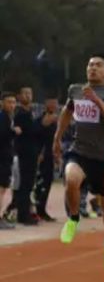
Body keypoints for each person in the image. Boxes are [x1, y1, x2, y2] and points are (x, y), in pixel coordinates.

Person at [53, 55, 104, 270]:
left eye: (98, 65)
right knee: (71, 180)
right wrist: (57, 137)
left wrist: (97, 101)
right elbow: (67, 112)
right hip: (79, 152)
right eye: (90, 65)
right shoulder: (76, 89)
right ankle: (73, 218)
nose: (93, 68)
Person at [12, 87, 40, 225]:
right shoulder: (20, 114)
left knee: (29, 185)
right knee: (24, 184)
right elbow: (30, 131)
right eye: (25, 93)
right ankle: (23, 215)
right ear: (19, 96)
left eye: (30, 93)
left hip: (32, 153)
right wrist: (40, 125)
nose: (28, 96)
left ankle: (25, 212)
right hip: (24, 154)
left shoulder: (31, 113)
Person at [32, 97, 60, 222]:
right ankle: (36, 210)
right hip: (41, 156)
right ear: (46, 104)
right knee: (39, 183)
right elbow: (35, 135)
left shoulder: (56, 121)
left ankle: (42, 210)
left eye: (55, 103)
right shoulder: (39, 120)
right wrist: (44, 124)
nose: (54, 105)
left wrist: (57, 155)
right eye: (51, 103)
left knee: (48, 183)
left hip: (50, 156)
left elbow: (56, 139)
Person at [0, 93, 17, 230]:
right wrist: (13, 132)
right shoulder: (3, 118)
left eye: (13, 102)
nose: (11, 105)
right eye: (8, 102)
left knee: (3, 189)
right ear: (2, 103)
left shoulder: (7, 118)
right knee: (1, 189)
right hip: (2, 159)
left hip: (5, 158)